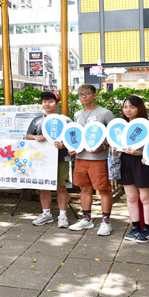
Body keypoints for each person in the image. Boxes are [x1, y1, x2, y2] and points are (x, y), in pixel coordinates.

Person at [67, 84, 115, 236]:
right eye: (80, 94)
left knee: (103, 189)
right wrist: (71, 146)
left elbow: (113, 135)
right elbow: (74, 135)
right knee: (84, 188)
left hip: (99, 158)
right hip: (81, 157)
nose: (83, 96)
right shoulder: (77, 114)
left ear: (95, 95)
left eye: (87, 93)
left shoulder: (105, 113)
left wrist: (103, 147)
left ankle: (106, 222)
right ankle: (86, 218)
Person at [25, 91, 71, 228]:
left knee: (61, 187)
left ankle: (62, 215)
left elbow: (73, 138)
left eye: (50, 101)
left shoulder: (66, 120)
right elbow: (28, 135)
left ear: (57, 103)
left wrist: (64, 144)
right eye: (44, 101)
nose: (47, 104)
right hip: (42, 160)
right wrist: (35, 137)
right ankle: (46, 214)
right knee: (44, 187)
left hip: (61, 158)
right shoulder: (37, 120)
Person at [118, 95, 149, 243]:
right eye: (125, 106)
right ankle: (135, 227)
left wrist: (139, 153)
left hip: (143, 162)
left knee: (145, 197)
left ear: (140, 108)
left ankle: (148, 228)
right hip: (126, 161)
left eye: (132, 107)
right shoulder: (121, 126)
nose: (128, 110)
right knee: (131, 197)